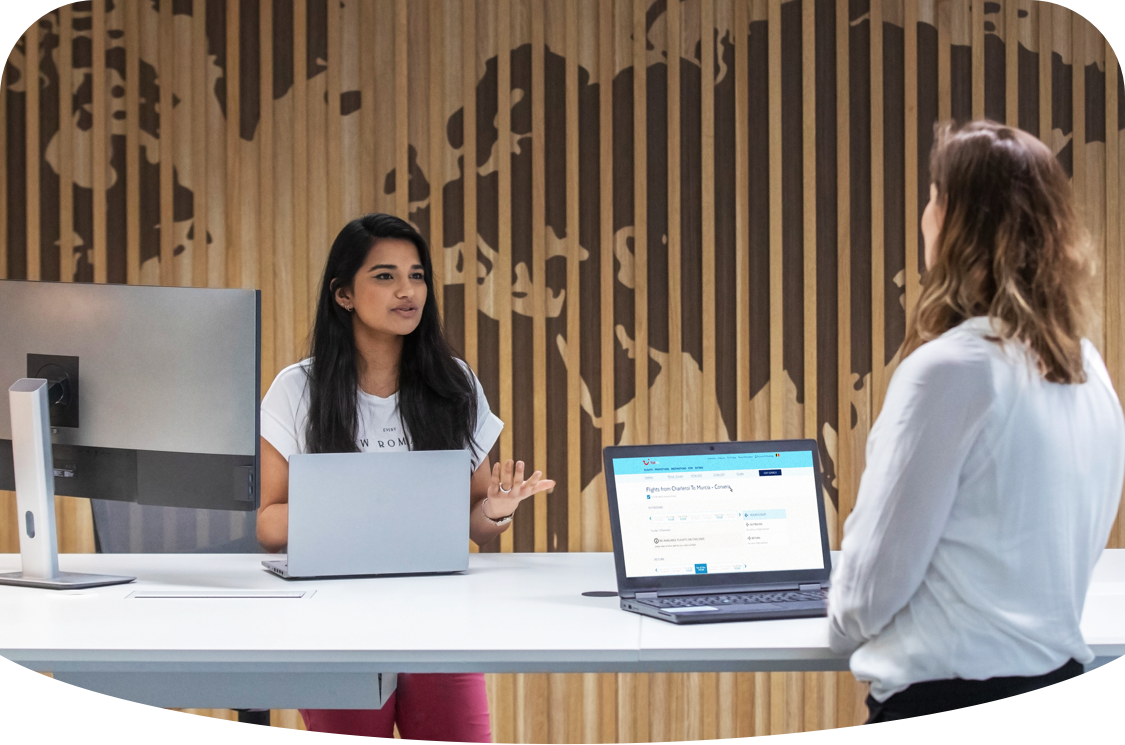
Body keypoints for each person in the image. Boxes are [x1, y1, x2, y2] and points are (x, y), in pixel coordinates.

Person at [827, 120, 1125, 722]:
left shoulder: (950, 371)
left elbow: (869, 591)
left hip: (945, 698)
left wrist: (835, 619)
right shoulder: (1087, 368)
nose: (925, 215)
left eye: (934, 197)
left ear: (954, 223)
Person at [257, 213, 554, 741]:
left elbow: (475, 528)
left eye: (416, 276)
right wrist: (368, 504)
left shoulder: (453, 382)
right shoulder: (296, 389)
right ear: (343, 294)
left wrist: (497, 510)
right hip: (334, 620)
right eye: (385, 276)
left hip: (438, 617)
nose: (406, 291)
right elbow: (270, 525)